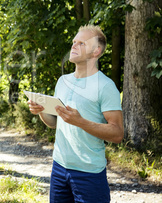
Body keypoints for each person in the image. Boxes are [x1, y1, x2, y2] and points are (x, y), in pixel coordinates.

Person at [28, 25, 124, 203]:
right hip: (59, 167)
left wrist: (80, 122)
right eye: (74, 41)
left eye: (81, 43)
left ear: (96, 51)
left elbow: (117, 133)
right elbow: (56, 123)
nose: (74, 45)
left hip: (89, 173)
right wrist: (41, 111)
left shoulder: (105, 86)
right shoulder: (63, 81)